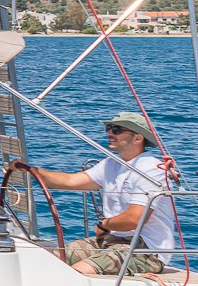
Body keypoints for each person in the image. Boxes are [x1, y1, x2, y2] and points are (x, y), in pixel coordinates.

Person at [11, 112, 176, 276]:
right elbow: (70, 180)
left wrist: (104, 225)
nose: (110, 133)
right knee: (47, 260)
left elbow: (134, 219)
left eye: (117, 130)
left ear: (138, 138)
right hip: (110, 241)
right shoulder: (111, 163)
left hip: (145, 250)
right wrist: (31, 170)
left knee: (75, 273)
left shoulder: (151, 169)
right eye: (108, 128)